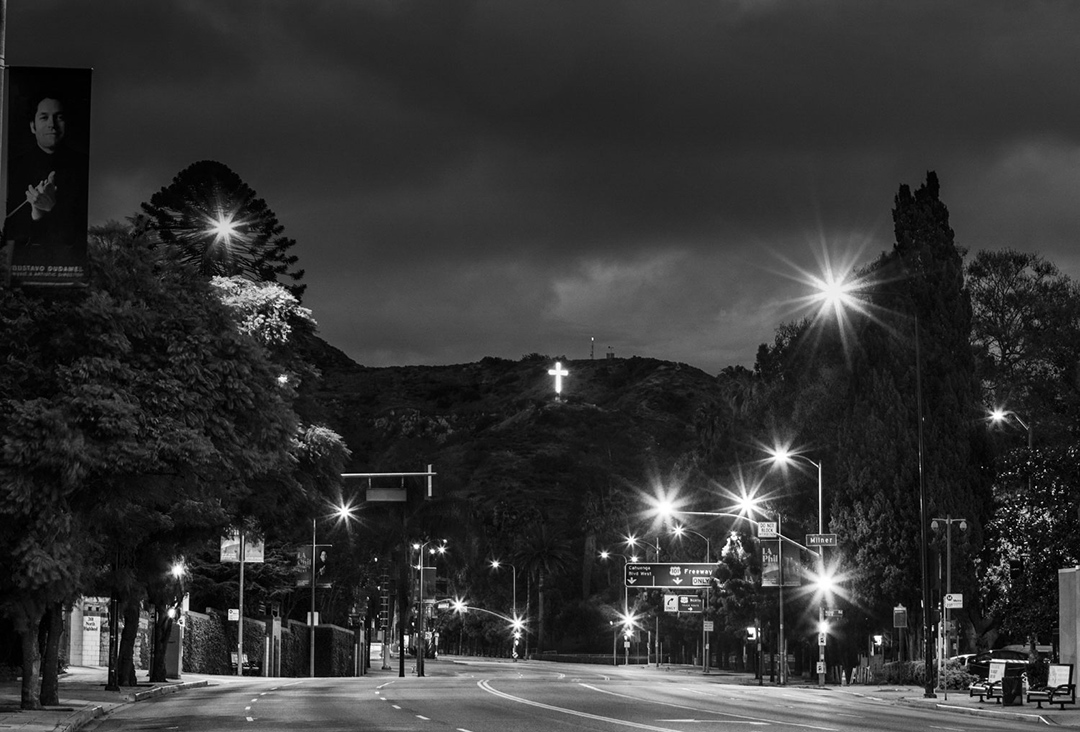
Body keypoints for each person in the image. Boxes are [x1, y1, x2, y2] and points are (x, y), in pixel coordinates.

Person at [5, 91, 90, 267]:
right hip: (22, 268)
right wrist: (37, 214)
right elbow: (9, 229)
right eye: (44, 117)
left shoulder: (83, 165)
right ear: (32, 126)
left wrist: (51, 209)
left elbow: (84, 230)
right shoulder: (12, 168)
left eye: (59, 117)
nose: (52, 125)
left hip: (68, 267)